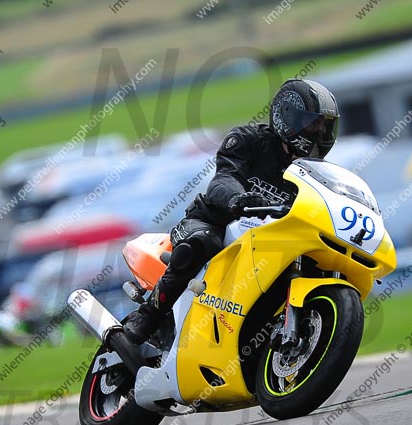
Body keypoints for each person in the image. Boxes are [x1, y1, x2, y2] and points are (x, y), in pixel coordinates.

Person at [123, 79, 340, 344]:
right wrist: (238, 198)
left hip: (267, 240)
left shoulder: (316, 173)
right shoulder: (249, 140)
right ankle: (148, 316)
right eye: (313, 123)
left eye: (324, 126)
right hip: (213, 221)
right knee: (201, 243)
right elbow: (221, 180)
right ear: (287, 117)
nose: (319, 132)